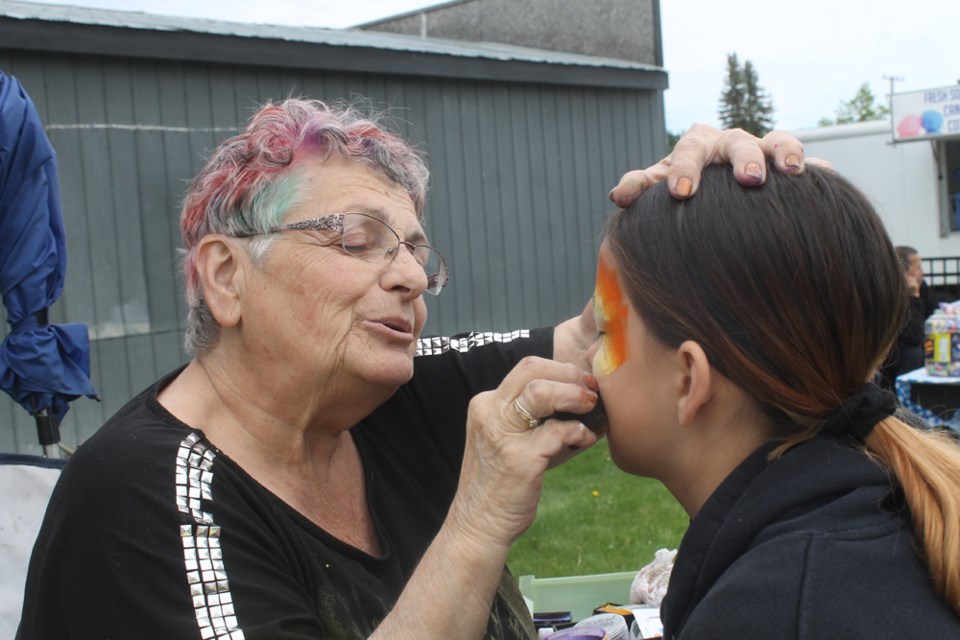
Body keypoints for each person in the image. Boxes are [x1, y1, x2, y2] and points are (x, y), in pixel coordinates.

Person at [17, 99, 807, 640]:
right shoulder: (140, 503)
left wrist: (707, 213)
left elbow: (614, 339)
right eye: (359, 240)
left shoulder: (395, 388)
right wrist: (477, 518)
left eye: (415, 250)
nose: (409, 278)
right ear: (227, 277)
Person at [590, 165, 960, 638]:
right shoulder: (871, 515)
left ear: (688, 379)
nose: (585, 358)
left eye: (602, 332)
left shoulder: (768, 613)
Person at [878, 245, 930, 387]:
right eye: (918, 268)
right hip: (892, 354)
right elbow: (914, 336)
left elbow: (932, 313)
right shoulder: (890, 292)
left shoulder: (922, 286)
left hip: (907, 347)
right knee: (914, 353)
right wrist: (913, 297)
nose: (922, 273)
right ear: (904, 271)